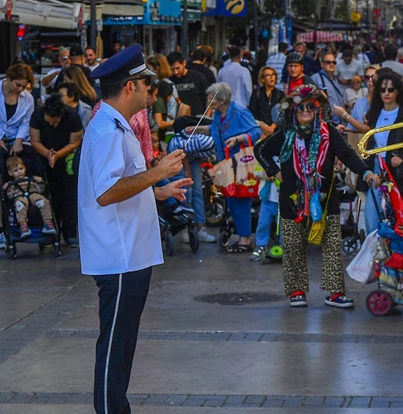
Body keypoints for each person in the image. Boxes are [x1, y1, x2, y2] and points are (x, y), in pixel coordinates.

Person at [78, 44, 191, 414]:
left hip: (129, 252)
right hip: (119, 255)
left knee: (123, 343)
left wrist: (157, 191)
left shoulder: (115, 124)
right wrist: (158, 172)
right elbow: (107, 192)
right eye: (145, 83)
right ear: (130, 86)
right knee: (116, 343)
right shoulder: (108, 129)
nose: (149, 91)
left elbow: (123, 182)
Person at [254, 84, 379, 308]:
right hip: (293, 201)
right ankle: (297, 292)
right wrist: (277, 172)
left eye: (310, 107)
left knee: (331, 246)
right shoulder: (285, 135)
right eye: (300, 107)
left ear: (317, 110)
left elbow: (347, 155)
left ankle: (335, 293)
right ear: (293, 111)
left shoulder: (328, 132)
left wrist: (367, 172)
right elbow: (260, 150)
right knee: (293, 247)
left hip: (324, 198)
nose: (305, 111)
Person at [185, 83, 261, 252]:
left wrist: (238, 138)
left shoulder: (239, 112)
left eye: (210, 97)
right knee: (231, 199)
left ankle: (245, 240)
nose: (207, 100)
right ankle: (242, 235)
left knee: (241, 200)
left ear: (220, 99)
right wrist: (199, 130)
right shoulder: (219, 114)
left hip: (239, 163)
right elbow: (215, 129)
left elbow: (256, 131)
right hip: (225, 164)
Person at [360, 70, 403, 235]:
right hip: (377, 168)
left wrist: (402, 156)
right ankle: (376, 254)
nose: (386, 93)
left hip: (398, 172)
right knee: (371, 215)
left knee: (399, 218)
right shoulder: (374, 113)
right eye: (383, 90)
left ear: (397, 91)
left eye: (391, 90)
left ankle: (397, 256)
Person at [29, 93, 82, 247]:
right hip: (43, 156)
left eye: (55, 122)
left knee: (69, 196)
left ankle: (70, 233)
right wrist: (47, 153)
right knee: (47, 195)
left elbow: (75, 142)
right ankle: (50, 233)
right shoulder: (38, 115)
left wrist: (58, 155)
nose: (52, 124)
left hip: (66, 158)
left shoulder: (72, 116)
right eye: (49, 122)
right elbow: (35, 140)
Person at [3, 156, 57, 238]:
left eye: (21, 169)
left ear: (25, 168)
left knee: (44, 201)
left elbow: (41, 190)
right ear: (10, 173)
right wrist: (7, 188)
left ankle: (48, 223)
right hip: (20, 196)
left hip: (33, 194)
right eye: (16, 170)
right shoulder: (12, 184)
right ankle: (23, 226)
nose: (19, 172)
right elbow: (10, 196)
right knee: (19, 204)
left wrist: (40, 182)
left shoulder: (31, 179)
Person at [167, 51, 210, 116]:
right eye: (172, 70)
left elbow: (209, 98)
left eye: (178, 68)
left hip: (197, 119)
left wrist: (206, 117)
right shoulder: (170, 81)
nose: (176, 72)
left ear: (184, 63)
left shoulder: (198, 77)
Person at [249, 66, 285, 138]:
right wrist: (263, 126)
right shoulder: (257, 93)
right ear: (262, 79)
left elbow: (282, 113)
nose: (271, 77)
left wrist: (271, 128)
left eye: (273, 74)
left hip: (276, 132)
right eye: (268, 75)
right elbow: (251, 113)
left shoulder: (280, 94)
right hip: (259, 131)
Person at [313, 53, 346, 125]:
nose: (331, 64)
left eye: (334, 62)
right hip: (326, 122)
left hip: (339, 122)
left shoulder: (336, 79)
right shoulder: (315, 78)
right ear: (322, 64)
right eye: (328, 62)